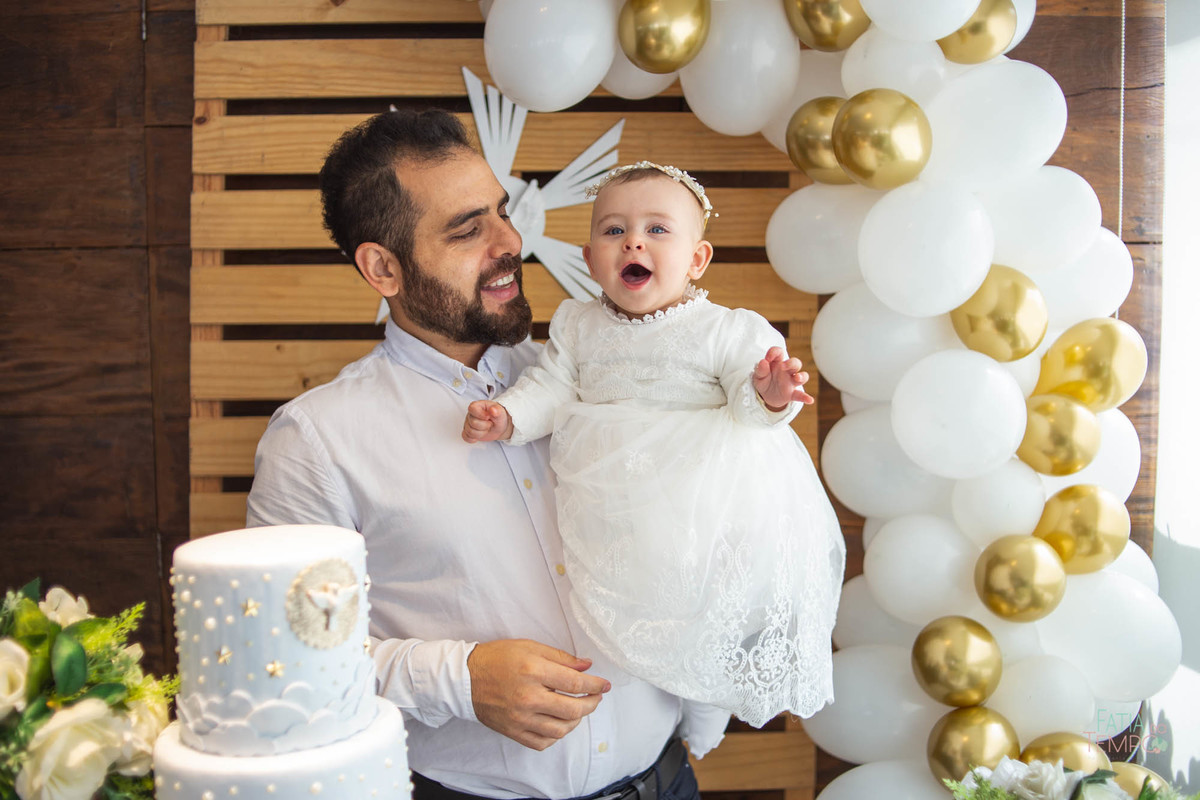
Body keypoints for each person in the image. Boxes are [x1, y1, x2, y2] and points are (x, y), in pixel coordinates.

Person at [245, 111, 729, 800]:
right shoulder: (318, 442)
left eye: (502, 212)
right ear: (383, 267)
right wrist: (460, 679)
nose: (512, 242)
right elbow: (281, 660)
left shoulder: (605, 377)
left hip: (670, 782)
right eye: (468, 230)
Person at [461, 162, 846, 728]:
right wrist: (508, 416)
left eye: (657, 230)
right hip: (618, 502)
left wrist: (770, 394)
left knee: (713, 610)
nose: (633, 241)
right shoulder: (577, 324)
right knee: (636, 605)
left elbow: (751, 402)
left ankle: (706, 710)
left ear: (696, 259)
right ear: (591, 260)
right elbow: (553, 388)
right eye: (613, 231)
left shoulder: (727, 330)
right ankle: (656, 694)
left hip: (706, 503)